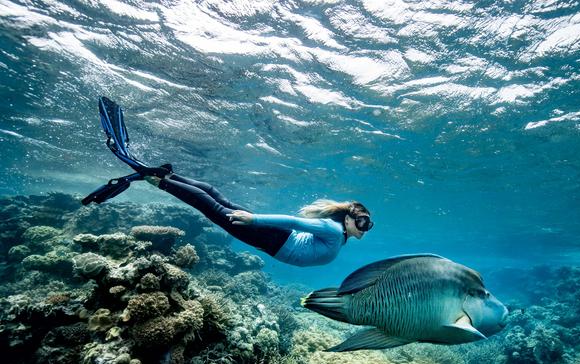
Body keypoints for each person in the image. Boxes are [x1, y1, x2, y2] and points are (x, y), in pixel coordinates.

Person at [83, 97, 373, 267]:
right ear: (348, 219)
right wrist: (254, 220)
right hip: (272, 236)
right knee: (213, 209)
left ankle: (167, 176)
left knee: (214, 197)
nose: (364, 228)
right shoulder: (334, 231)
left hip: (274, 239)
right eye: (362, 222)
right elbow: (292, 222)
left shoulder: (338, 235)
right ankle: (157, 180)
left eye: (366, 225)